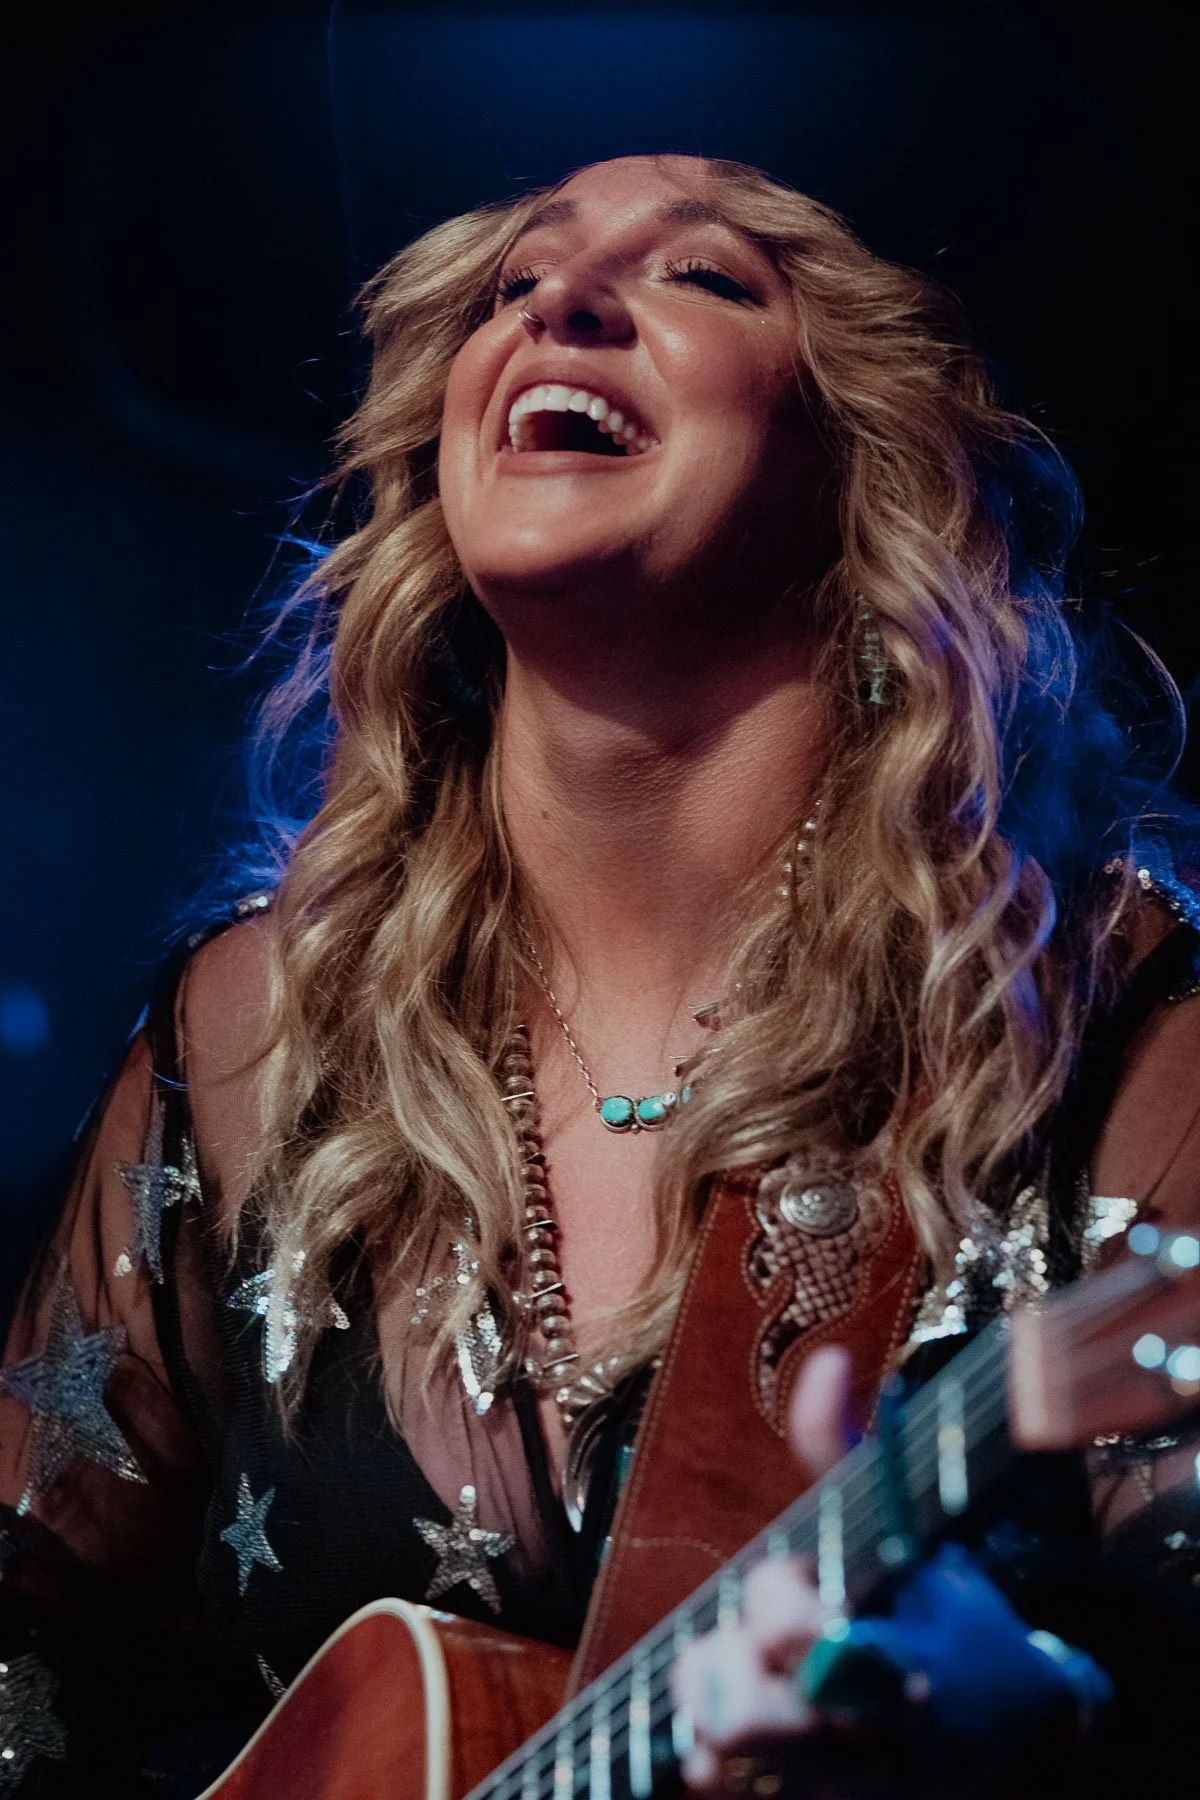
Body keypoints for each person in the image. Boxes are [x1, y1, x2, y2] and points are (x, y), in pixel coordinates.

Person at [1, 153, 1196, 1798]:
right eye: (508, 286)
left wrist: (1048, 1733)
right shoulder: (251, 1039)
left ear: (873, 467)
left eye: (704, 276)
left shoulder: (1089, 1018)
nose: (555, 299)